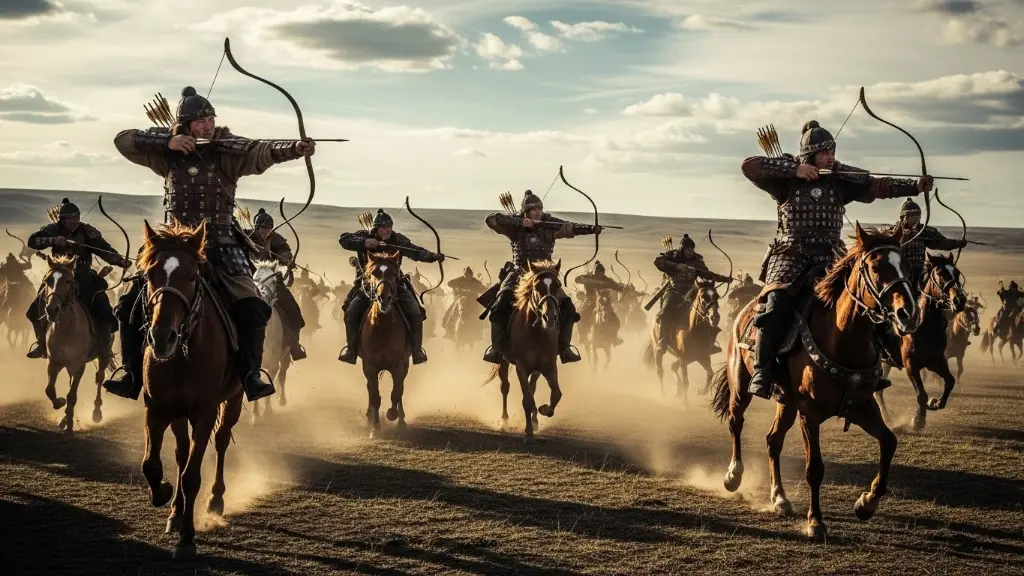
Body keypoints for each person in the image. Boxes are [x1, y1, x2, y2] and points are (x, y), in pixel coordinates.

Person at [104, 85, 315, 401]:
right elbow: (123, 140)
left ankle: (251, 375)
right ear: (186, 125)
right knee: (127, 304)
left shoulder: (227, 151)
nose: (207, 126)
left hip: (221, 247)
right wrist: (168, 142)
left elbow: (260, 150)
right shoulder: (167, 156)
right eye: (200, 122)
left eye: (210, 120)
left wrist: (295, 148)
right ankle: (132, 374)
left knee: (254, 307)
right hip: (173, 248)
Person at [742, 119, 933, 399]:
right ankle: (763, 370)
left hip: (831, 256)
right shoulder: (785, 180)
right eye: (823, 153)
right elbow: (749, 166)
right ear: (809, 155)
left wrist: (914, 186)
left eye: (831, 152)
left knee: (866, 299)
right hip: (790, 256)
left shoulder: (839, 179)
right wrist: (794, 170)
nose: (829, 157)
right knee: (776, 305)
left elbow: (876, 186)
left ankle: (874, 363)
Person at [482, 190, 601, 364]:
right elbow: (491, 220)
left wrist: (591, 229)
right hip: (519, 274)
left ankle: (565, 349)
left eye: (540, 209)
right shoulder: (514, 227)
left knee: (568, 306)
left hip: (545, 275)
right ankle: (496, 349)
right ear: (526, 212)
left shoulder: (549, 224)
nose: (538, 212)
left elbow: (569, 227)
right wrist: (520, 222)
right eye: (534, 210)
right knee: (499, 305)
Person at [25, 198, 131, 358]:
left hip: (83, 274)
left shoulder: (87, 230)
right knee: (33, 311)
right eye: (71, 218)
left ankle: (103, 348)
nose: (75, 221)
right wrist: (53, 240)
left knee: (104, 309)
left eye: (77, 217)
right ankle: (41, 344)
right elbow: (32, 241)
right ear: (62, 219)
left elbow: (103, 249)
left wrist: (120, 261)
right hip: (58, 274)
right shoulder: (53, 229)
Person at [337, 209, 443, 364]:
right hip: (367, 286)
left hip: (395, 285)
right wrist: (364, 242)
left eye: (390, 226)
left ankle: (417, 351)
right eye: (384, 227)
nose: (388, 230)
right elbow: (344, 239)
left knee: (416, 311)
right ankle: (351, 351)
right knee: (351, 312)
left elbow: (416, 251)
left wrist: (432, 256)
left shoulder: (397, 239)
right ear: (376, 228)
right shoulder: (364, 236)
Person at [652, 234, 732, 354]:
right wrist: (677, 266)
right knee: (665, 312)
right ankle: (662, 342)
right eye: (688, 250)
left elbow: (706, 274)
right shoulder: (672, 256)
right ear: (682, 249)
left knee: (707, 308)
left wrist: (724, 279)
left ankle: (710, 342)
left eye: (692, 250)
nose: (690, 252)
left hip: (692, 291)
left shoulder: (697, 260)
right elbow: (657, 261)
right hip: (674, 290)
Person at [244, 207, 306, 360]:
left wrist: (287, 259)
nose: (266, 231)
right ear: (257, 228)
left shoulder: (277, 239)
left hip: (273, 280)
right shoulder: (246, 236)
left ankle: (294, 345)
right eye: (263, 228)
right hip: (248, 279)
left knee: (293, 311)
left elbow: (285, 252)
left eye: (269, 228)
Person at [887, 198, 965, 282]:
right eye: (913, 217)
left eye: (918, 217)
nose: (917, 220)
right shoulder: (894, 231)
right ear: (905, 217)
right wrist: (905, 235)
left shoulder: (924, 230)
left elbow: (940, 242)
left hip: (920, 270)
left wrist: (957, 243)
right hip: (900, 270)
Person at [574, 261, 626, 344]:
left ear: (603, 272)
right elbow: (577, 280)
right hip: (590, 301)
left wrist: (624, 288)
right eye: (598, 272)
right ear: (595, 272)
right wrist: (585, 278)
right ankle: (582, 336)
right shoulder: (588, 277)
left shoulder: (607, 280)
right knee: (580, 315)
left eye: (601, 272)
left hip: (603, 301)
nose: (600, 274)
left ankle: (614, 337)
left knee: (615, 321)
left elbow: (618, 287)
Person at [442, 267, 487, 338]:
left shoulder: (475, 281)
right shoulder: (460, 279)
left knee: (480, 313)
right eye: (467, 275)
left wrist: (484, 288)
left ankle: (479, 333)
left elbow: (482, 289)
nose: (468, 276)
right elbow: (449, 283)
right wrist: (458, 288)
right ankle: (449, 331)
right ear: (464, 275)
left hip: (473, 300)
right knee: (452, 312)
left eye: (470, 275)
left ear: (471, 275)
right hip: (461, 299)